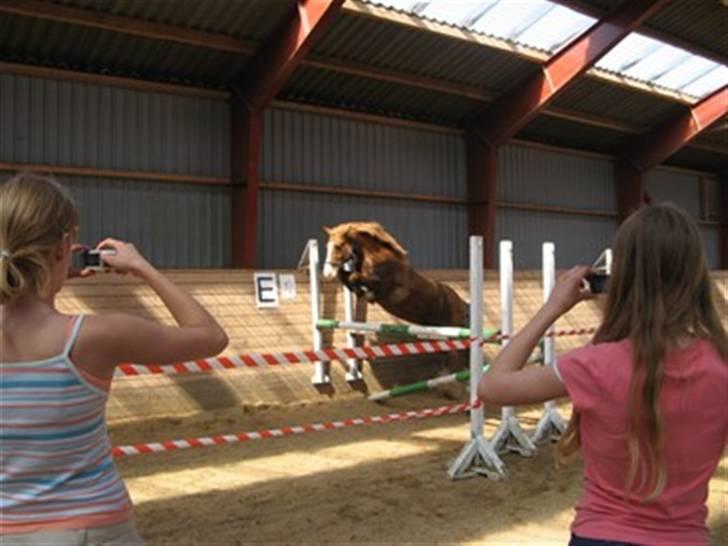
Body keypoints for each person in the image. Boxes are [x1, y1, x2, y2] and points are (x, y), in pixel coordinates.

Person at [478, 204, 727, 546]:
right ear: (696, 276)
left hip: (601, 536)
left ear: (619, 278)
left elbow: (491, 386)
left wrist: (553, 306)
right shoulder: (722, 367)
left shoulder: (594, 365)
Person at [0, 172, 229, 545]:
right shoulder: (96, 336)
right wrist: (142, 267)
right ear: (64, 246)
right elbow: (210, 336)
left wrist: (45, 280)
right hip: (93, 527)